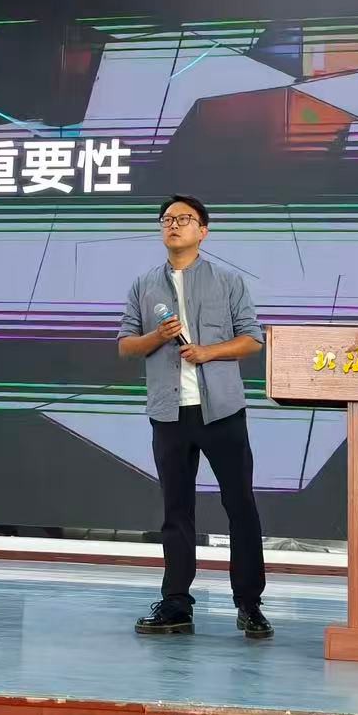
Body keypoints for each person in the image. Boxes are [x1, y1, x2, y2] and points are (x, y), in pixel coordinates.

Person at [117, 195, 271, 639]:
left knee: (240, 506)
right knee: (176, 510)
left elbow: (252, 339)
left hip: (221, 410)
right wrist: (156, 337)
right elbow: (126, 346)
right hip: (168, 413)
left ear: (203, 231)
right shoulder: (144, 284)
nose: (173, 225)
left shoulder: (227, 280)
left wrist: (208, 352)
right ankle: (176, 604)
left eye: (184, 219)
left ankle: (249, 604)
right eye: (167, 219)